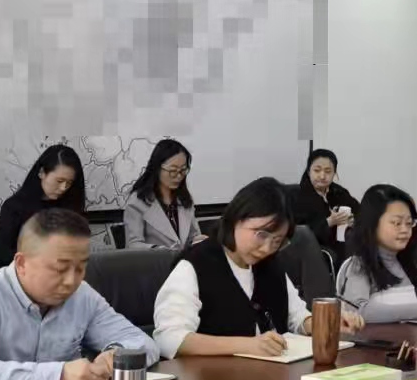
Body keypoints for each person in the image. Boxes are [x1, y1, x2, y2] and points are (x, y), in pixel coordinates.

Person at [0, 208, 157, 380]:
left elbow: (142, 342)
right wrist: (59, 376)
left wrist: (116, 355)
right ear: (21, 263)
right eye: (60, 269)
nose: (71, 281)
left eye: (81, 268)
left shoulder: (82, 295)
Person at [152, 177, 362, 358]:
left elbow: (296, 317)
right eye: (261, 235)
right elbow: (169, 338)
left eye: (277, 241)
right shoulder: (194, 265)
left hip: (268, 378)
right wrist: (247, 345)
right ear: (236, 218)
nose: (267, 248)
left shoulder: (270, 265)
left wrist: (326, 323)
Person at [335, 184, 417, 324]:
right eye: (396, 223)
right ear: (372, 225)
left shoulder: (410, 264)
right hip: (376, 338)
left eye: (409, 223)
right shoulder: (359, 265)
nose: (405, 229)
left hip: (411, 337)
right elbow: (358, 310)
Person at [0, 143, 86, 269]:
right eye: (59, 181)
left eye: (69, 183)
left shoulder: (70, 208)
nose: (63, 188)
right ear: (42, 173)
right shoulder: (15, 207)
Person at [123, 138, 203, 251]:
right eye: (173, 171)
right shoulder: (137, 202)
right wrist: (158, 250)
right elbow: (133, 244)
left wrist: (199, 240)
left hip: (184, 261)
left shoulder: (184, 199)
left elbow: (192, 236)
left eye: (183, 170)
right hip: (156, 261)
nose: (179, 176)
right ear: (157, 168)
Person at [290, 148, 359, 263]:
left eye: (328, 171)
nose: (322, 176)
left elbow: (360, 211)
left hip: (344, 242)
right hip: (315, 248)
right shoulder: (297, 196)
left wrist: (353, 220)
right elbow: (296, 234)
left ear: (334, 173)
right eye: (317, 170)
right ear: (309, 172)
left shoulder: (339, 192)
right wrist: (328, 222)